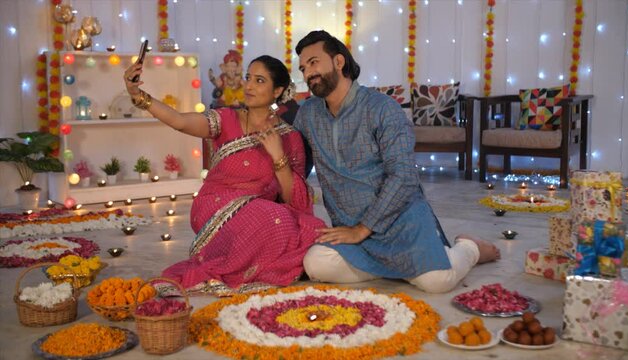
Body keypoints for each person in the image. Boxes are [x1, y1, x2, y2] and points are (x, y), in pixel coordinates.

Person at [293, 30, 500, 293]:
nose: (308, 73)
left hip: (399, 220)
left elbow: (403, 176)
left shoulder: (382, 108)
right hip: (349, 225)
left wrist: (362, 229)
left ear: (338, 61)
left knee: (436, 282)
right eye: (303, 68)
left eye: (314, 62)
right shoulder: (308, 114)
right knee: (315, 264)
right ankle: (402, 268)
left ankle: (469, 247)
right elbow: (296, 165)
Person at [123, 55, 325, 296]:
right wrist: (139, 96)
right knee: (275, 221)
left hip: (257, 210)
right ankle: (259, 265)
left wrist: (278, 157)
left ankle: (262, 260)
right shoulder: (226, 119)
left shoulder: (289, 137)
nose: (248, 86)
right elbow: (179, 121)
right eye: (248, 78)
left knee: (309, 225)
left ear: (277, 90)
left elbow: (296, 200)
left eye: (259, 81)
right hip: (213, 206)